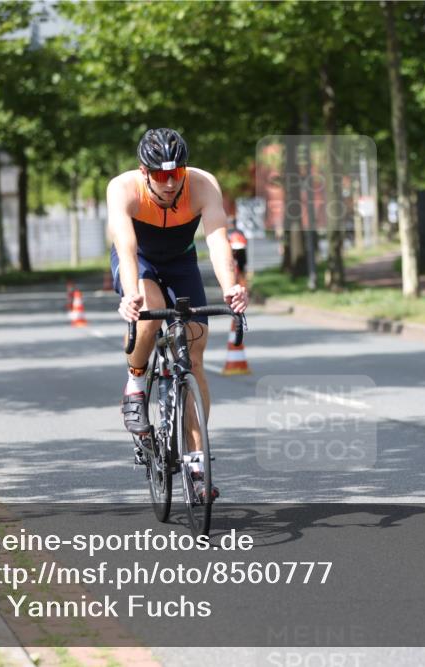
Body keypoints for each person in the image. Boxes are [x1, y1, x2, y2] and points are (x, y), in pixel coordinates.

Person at [108, 128, 248, 500]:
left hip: (181, 262)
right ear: (144, 172)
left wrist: (230, 286)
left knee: (195, 355)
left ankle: (198, 460)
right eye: (160, 175)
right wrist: (133, 295)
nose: (170, 183)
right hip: (139, 260)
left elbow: (217, 241)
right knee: (151, 315)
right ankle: (135, 385)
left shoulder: (202, 185)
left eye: (176, 174)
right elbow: (126, 246)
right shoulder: (122, 189)